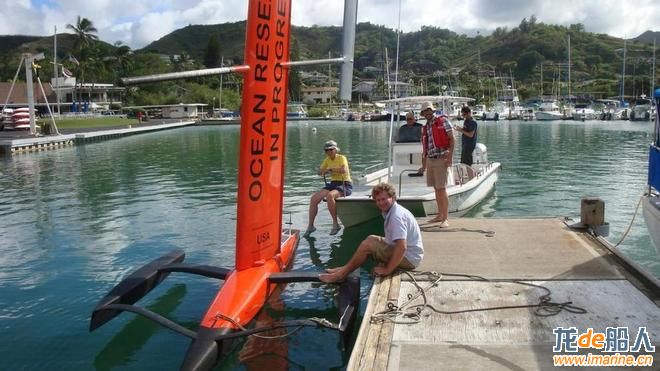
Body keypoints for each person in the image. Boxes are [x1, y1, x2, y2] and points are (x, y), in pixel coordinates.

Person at [319, 183, 424, 283]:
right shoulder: (390, 211)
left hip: (409, 259)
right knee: (371, 239)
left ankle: (340, 276)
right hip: (410, 255)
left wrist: (387, 270)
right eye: (378, 200)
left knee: (368, 245)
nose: (381, 203)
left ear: (392, 197)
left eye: (384, 199)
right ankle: (345, 268)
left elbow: (402, 247)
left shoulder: (396, 216)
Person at [304, 140, 352, 237]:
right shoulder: (327, 160)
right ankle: (311, 226)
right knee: (314, 199)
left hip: (344, 184)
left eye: (330, 150)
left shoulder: (342, 158)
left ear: (335, 150)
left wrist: (329, 170)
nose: (328, 152)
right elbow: (320, 171)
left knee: (330, 196)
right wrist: (321, 171)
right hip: (333, 184)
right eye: (326, 150)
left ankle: (336, 224)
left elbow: (343, 170)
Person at [417, 101, 454, 228]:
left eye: (428, 110)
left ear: (432, 111)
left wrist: (449, 158)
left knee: (441, 189)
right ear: (422, 114)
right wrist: (424, 165)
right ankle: (440, 215)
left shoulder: (443, 121)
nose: (427, 113)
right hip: (430, 160)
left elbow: (452, 138)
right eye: (424, 111)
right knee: (436, 188)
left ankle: (446, 218)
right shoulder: (426, 126)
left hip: (441, 159)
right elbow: (425, 147)